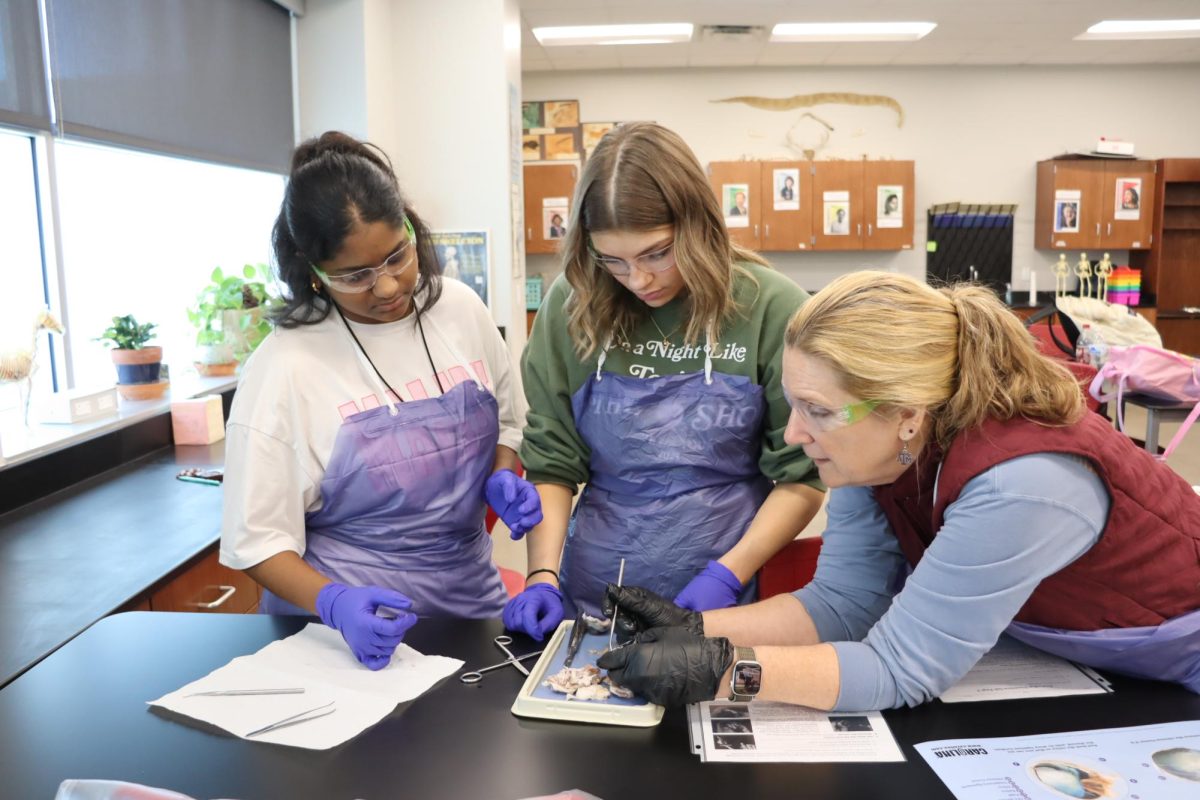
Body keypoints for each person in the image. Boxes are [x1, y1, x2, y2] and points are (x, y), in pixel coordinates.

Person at [596, 270, 1200, 710]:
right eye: (793, 403)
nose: (793, 432)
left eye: (817, 410)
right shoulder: (879, 450)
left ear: (906, 413)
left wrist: (724, 672)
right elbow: (843, 603)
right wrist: (698, 629)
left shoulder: (1026, 480)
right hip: (1090, 644)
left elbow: (898, 670)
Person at [219, 132, 542, 669]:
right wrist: (332, 601)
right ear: (314, 274)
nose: (389, 287)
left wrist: (503, 475)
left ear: (412, 227)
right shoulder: (285, 368)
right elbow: (255, 540)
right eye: (355, 276)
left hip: (470, 605)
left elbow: (508, 424)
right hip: (341, 636)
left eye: (398, 256)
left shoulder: (461, 311)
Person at [503, 122, 824, 640]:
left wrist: (728, 572)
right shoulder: (574, 300)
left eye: (657, 253)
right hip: (599, 576)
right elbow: (553, 460)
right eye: (614, 260)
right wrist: (541, 574)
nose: (638, 280)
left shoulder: (770, 306)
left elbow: (802, 476)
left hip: (728, 576)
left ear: (698, 225)